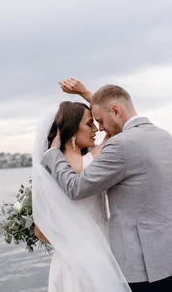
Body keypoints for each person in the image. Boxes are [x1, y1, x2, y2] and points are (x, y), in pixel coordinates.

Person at [42, 78, 172, 292]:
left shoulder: (120, 146)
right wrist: (88, 94)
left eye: (101, 120)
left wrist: (52, 154)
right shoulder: (167, 138)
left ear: (115, 110)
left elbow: (76, 188)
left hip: (144, 268)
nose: (102, 129)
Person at [31, 100, 131, 291]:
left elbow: (40, 232)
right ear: (72, 129)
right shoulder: (89, 163)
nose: (96, 129)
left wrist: (73, 242)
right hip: (92, 260)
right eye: (89, 123)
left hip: (70, 260)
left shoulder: (53, 168)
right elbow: (122, 127)